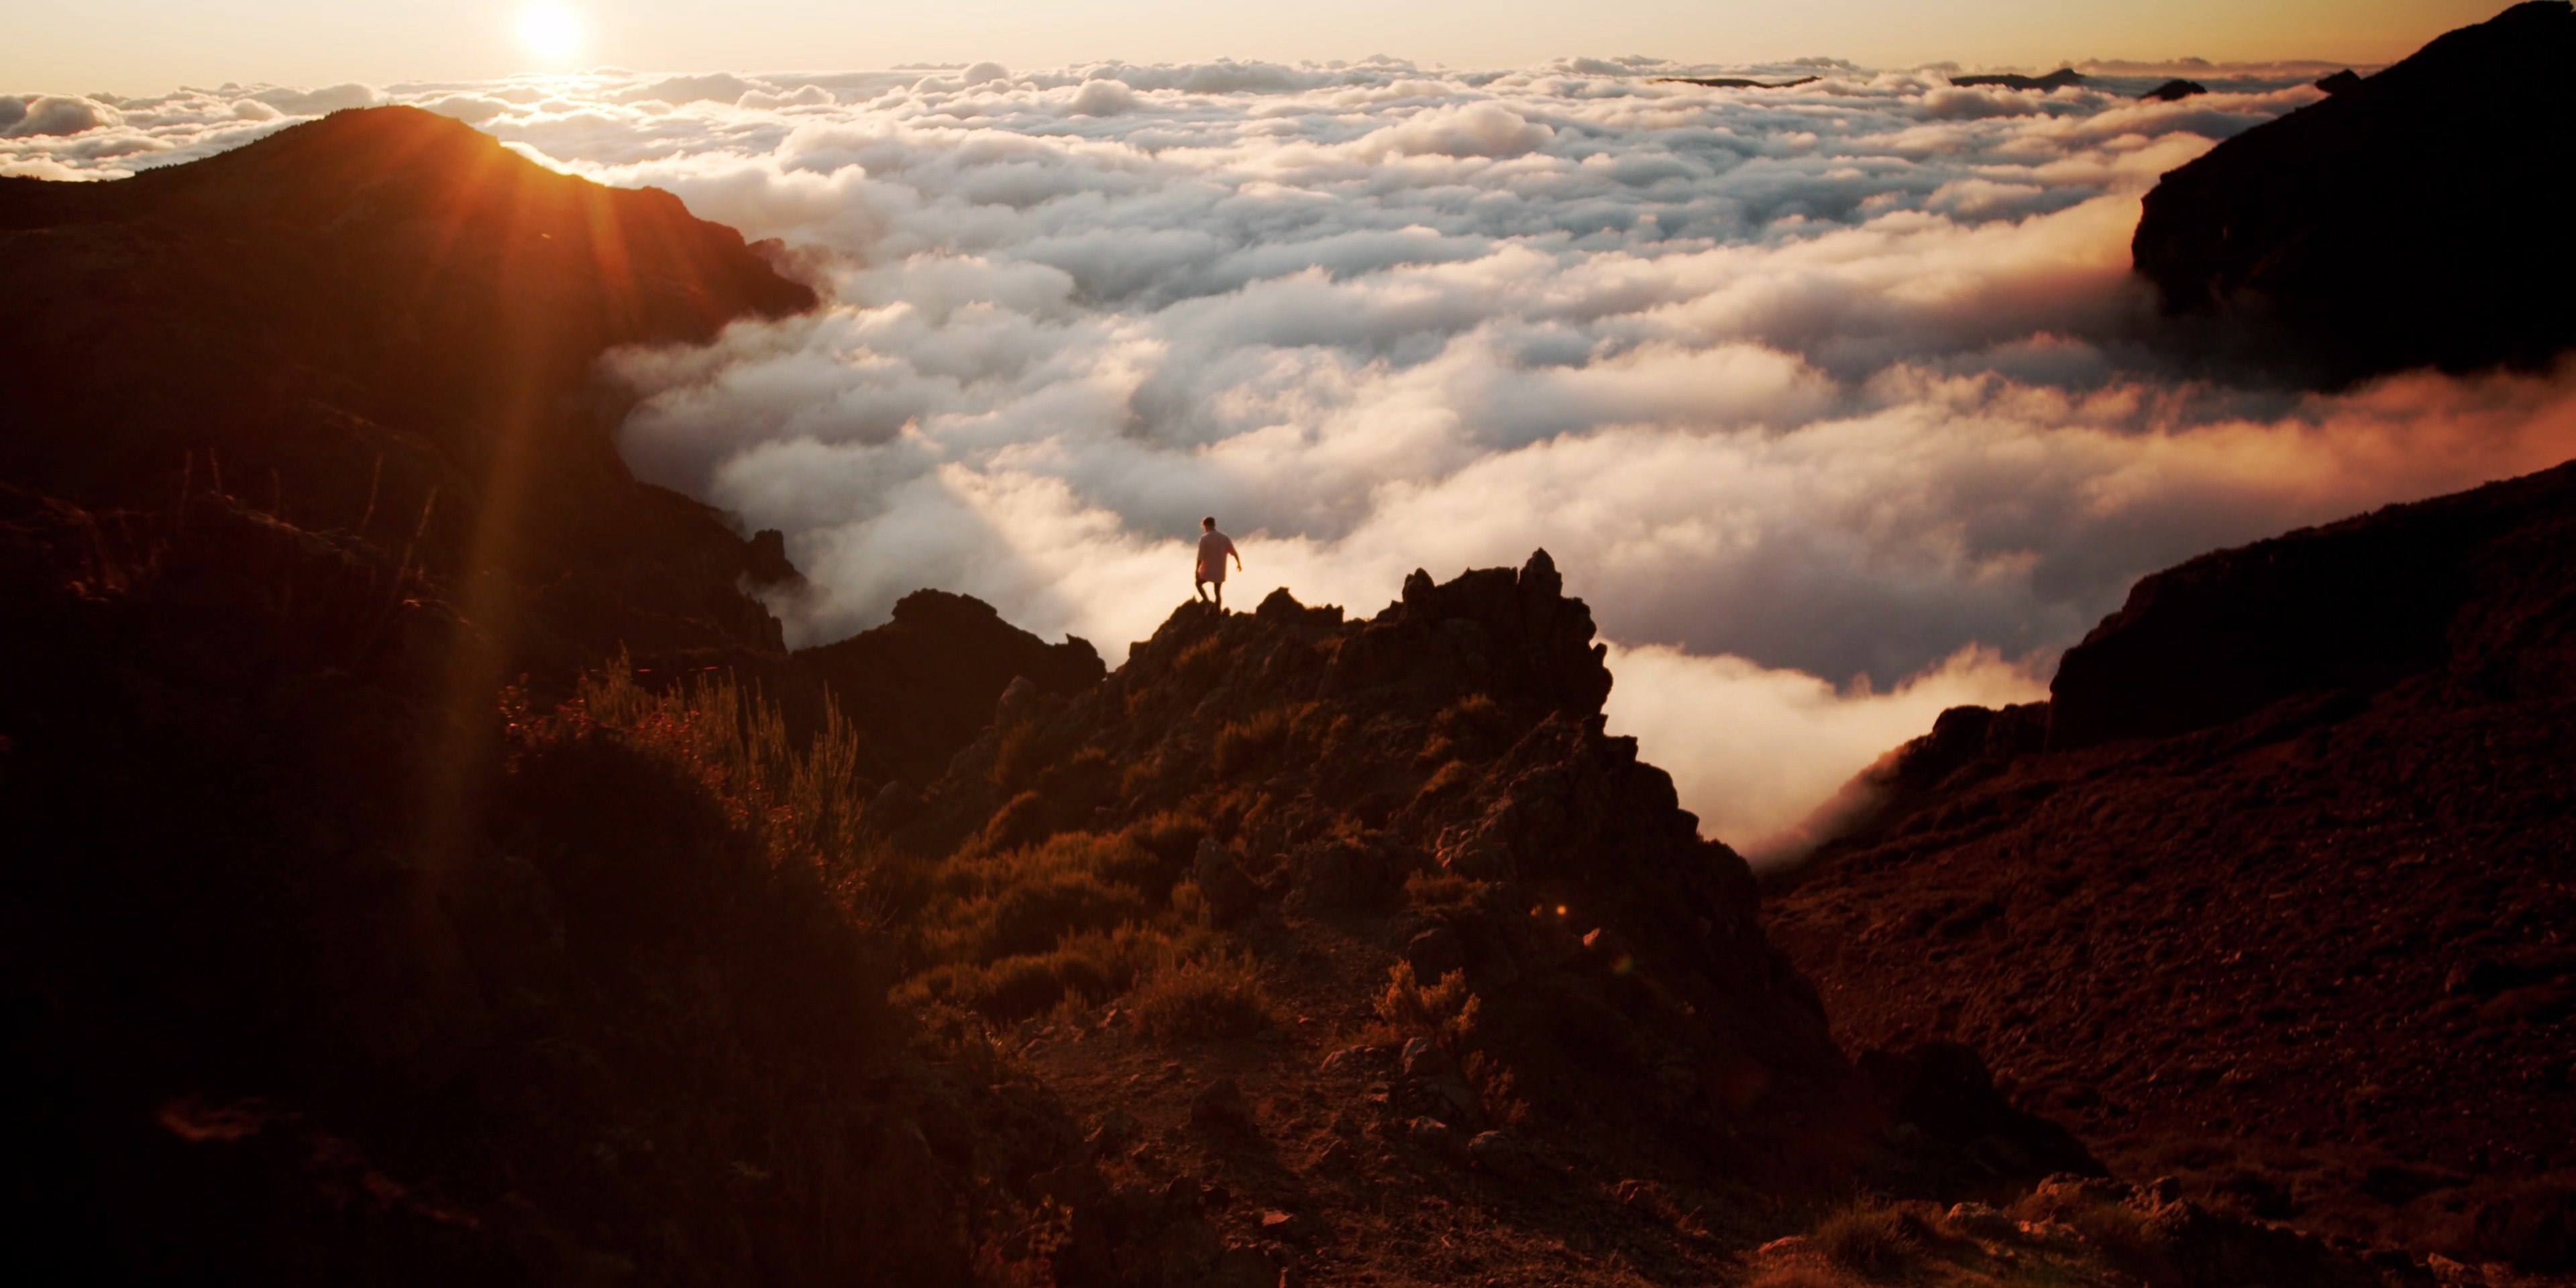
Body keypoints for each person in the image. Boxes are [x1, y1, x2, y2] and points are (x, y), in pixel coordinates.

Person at [1194, 515, 1242, 609]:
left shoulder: (1204, 539)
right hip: (1220, 570)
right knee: (1217, 593)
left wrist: (1196, 570)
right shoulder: (1224, 538)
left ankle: (1207, 602)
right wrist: (1239, 564)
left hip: (1207, 570)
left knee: (1198, 584)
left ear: (1206, 525)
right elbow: (1234, 553)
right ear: (1214, 524)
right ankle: (1217, 614)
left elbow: (1200, 557)